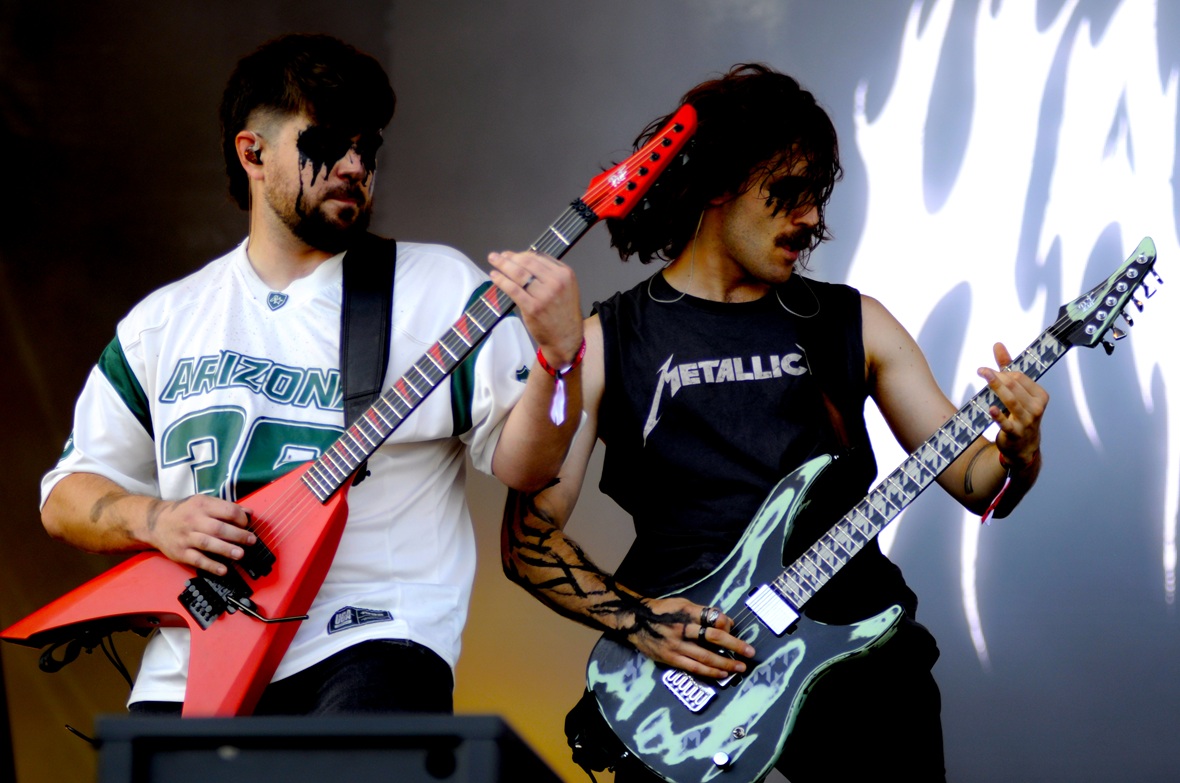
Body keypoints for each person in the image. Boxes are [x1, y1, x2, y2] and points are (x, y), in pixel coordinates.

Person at [500, 63, 1047, 781]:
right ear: (719, 184)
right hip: (687, 687)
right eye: (790, 193)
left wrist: (1020, 449)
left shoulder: (852, 321)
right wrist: (640, 621)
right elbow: (528, 541)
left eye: (817, 196)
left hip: (856, 658)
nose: (812, 218)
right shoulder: (609, 341)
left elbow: (978, 484)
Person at [39, 33, 584, 716]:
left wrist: (560, 361)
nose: (355, 166)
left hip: (369, 640)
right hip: (193, 660)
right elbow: (65, 496)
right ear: (252, 153)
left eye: (367, 148)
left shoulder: (439, 288)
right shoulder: (163, 321)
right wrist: (156, 519)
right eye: (328, 143)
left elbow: (528, 467)